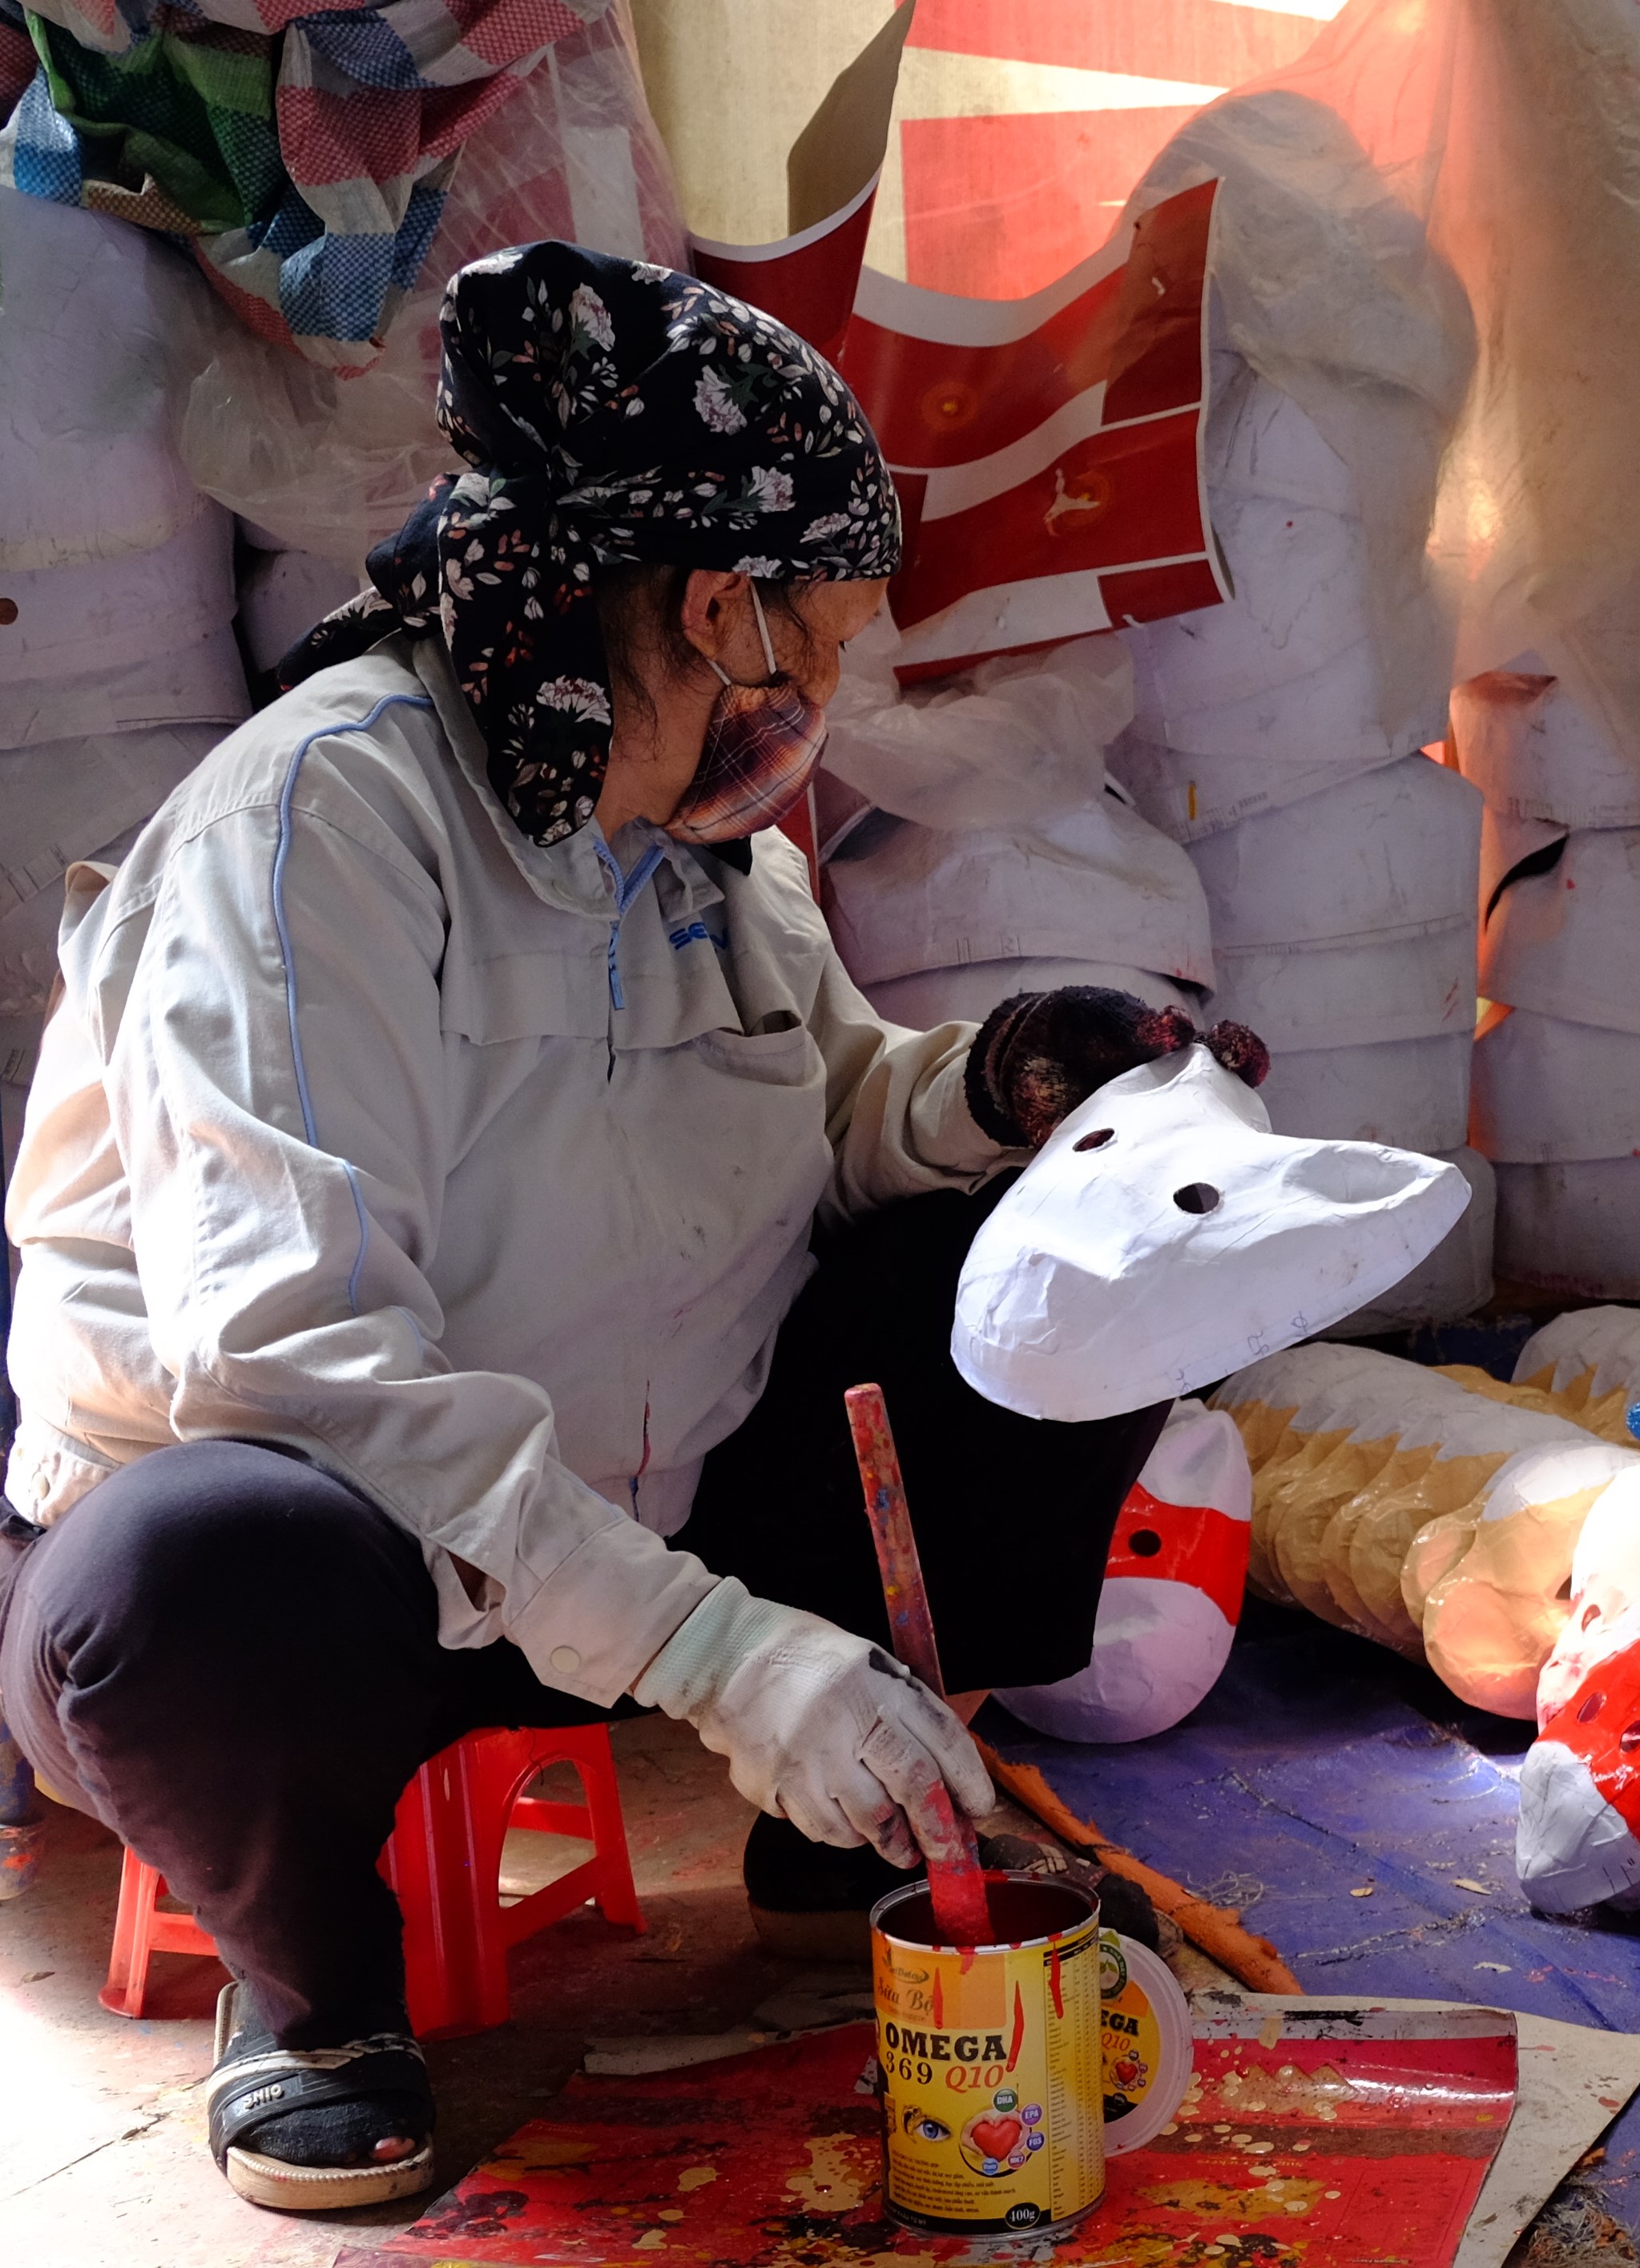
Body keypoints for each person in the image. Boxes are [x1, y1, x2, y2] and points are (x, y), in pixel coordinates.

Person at [0, 245, 1230, 2214]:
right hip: (339, 1594)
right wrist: (730, 1657)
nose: (826, 692)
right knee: (206, 1560)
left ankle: (868, 1843)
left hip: (621, 1527)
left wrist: (1005, 1083)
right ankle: (312, 1991)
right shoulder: (319, 819)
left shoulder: (689, 848)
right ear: (709, 602)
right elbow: (295, 1349)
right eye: (820, 636)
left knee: (1044, 1255)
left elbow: (830, 1118)